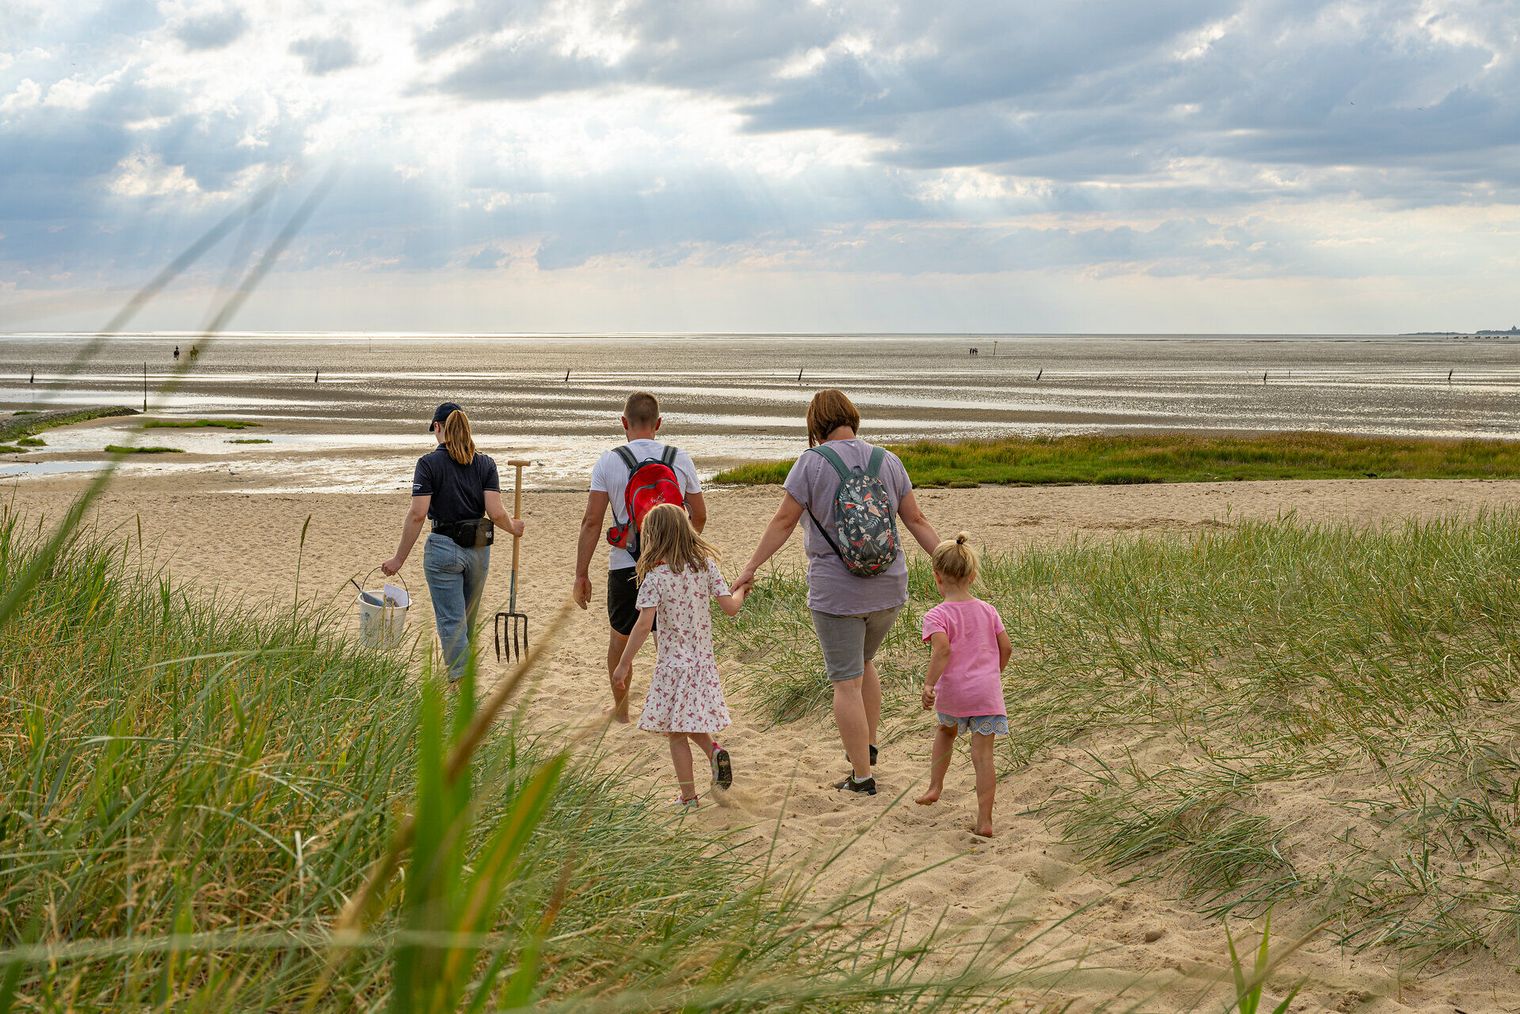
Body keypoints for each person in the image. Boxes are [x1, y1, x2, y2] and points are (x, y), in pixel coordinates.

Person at [733, 389, 940, 796]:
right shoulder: (888, 460)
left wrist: (750, 566)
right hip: (889, 587)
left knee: (846, 681)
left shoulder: (811, 464)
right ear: (851, 417)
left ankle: (861, 777)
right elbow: (915, 519)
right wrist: (947, 561)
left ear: (815, 424)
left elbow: (782, 522)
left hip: (838, 592)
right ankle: (868, 747)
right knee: (865, 662)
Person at [573, 392, 706, 722]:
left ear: (624, 424)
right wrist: (680, 551)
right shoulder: (679, 458)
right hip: (672, 567)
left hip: (625, 564)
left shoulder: (609, 461)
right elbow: (700, 515)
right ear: (658, 424)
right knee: (670, 642)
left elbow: (592, 521)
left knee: (620, 638)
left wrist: (581, 574)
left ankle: (621, 712)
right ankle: (676, 713)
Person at [612, 503, 746, 808]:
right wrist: (741, 591)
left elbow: (643, 625)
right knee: (688, 722)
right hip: (702, 663)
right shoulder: (706, 567)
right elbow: (731, 608)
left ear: (653, 538)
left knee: (675, 733)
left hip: (673, 665)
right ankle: (714, 752)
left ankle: (688, 798)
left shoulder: (656, 578)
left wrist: (623, 664)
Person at [381, 402, 526, 682]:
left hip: (443, 548)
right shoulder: (485, 463)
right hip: (478, 550)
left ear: (438, 427)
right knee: (466, 620)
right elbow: (496, 512)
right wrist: (513, 528)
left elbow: (417, 514)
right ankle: (461, 677)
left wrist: (399, 558)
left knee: (451, 621)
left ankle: (460, 681)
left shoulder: (428, 464)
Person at [913, 534, 1011, 838]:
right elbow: (1006, 648)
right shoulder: (988, 610)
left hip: (955, 692)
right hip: (986, 693)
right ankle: (985, 821)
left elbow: (942, 651)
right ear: (972, 576)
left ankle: (935, 787)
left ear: (937, 577)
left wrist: (929, 685)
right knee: (983, 756)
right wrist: (992, 675)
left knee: (945, 732)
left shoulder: (937, 615)